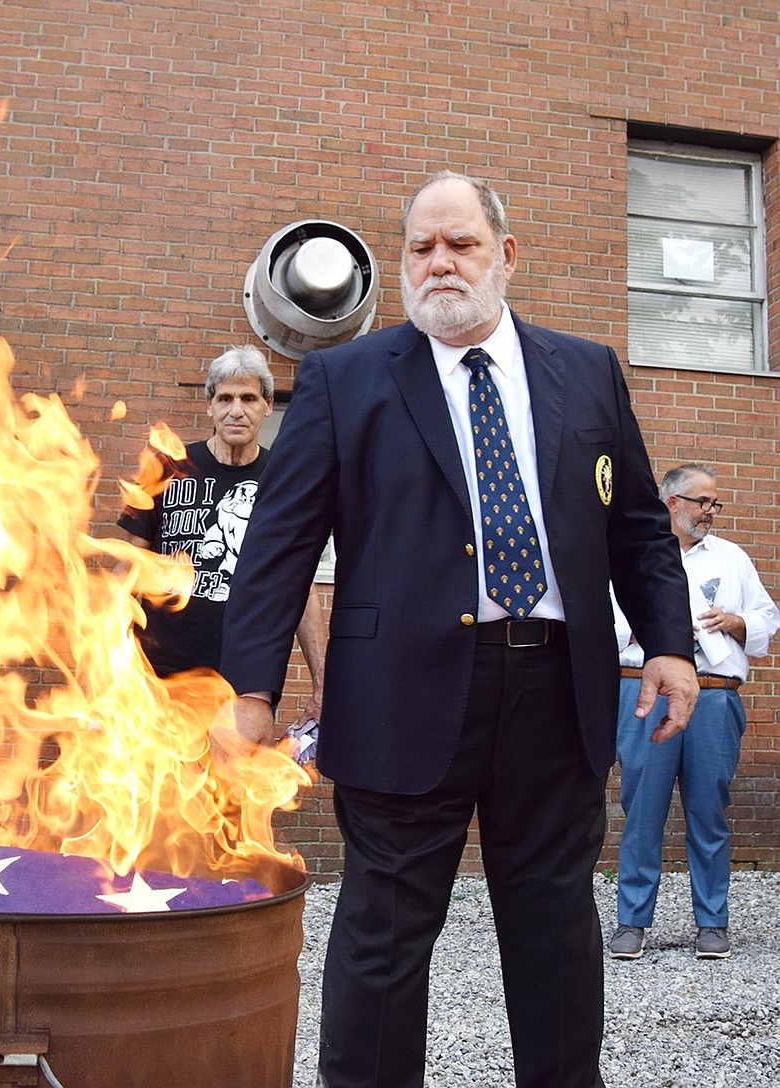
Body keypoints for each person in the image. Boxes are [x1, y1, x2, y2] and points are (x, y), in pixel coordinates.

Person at [218, 171, 699, 1088]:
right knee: (385, 934)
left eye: (461, 244)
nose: (439, 263)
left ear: (505, 256)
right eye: (420, 248)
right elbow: (276, 551)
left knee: (556, 925)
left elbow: (638, 525)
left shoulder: (587, 370)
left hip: (558, 691)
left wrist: (669, 643)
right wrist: (249, 693)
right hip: (398, 692)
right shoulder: (341, 379)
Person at [609, 464, 779, 961]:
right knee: (641, 810)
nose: (709, 511)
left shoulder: (732, 558)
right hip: (646, 691)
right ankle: (632, 922)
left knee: (709, 811)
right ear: (671, 503)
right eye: (701, 501)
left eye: (714, 503)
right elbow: (601, 618)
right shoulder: (631, 558)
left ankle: (712, 923)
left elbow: (767, 618)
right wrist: (641, 632)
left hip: (713, 694)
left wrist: (736, 620)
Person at [118, 344, 326, 725]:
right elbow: (130, 568)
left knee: (232, 786)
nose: (236, 410)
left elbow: (302, 585)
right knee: (160, 784)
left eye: (248, 398)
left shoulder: (282, 480)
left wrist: (320, 682)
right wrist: (104, 657)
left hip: (244, 686)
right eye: (225, 398)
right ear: (209, 406)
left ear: (267, 405)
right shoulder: (166, 467)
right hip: (160, 674)